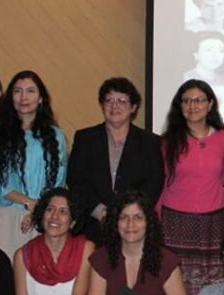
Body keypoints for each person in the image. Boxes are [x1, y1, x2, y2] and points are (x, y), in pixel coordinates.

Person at [159, 80, 224, 295]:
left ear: (210, 104)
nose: (193, 106)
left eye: (199, 100)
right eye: (186, 101)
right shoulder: (168, 141)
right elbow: (162, 181)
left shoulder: (223, 138)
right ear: (180, 105)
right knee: (177, 290)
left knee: (209, 292)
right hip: (175, 223)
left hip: (211, 225)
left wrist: (218, 202)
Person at [68, 77, 164, 244]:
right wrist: (101, 212)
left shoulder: (150, 142)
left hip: (135, 227)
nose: (115, 106)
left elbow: (154, 182)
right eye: (109, 100)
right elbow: (75, 180)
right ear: (102, 105)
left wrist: (128, 214)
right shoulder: (85, 138)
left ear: (133, 107)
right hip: (93, 225)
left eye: (121, 101)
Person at [0, 70, 68, 259]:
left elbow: (58, 182)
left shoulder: (56, 136)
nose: (24, 97)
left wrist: (37, 209)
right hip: (5, 215)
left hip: (43, 216)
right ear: (10, 98)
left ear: (40, 98)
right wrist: (28, 202)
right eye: (17, 91)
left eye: (30, 91)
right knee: (3, 269)